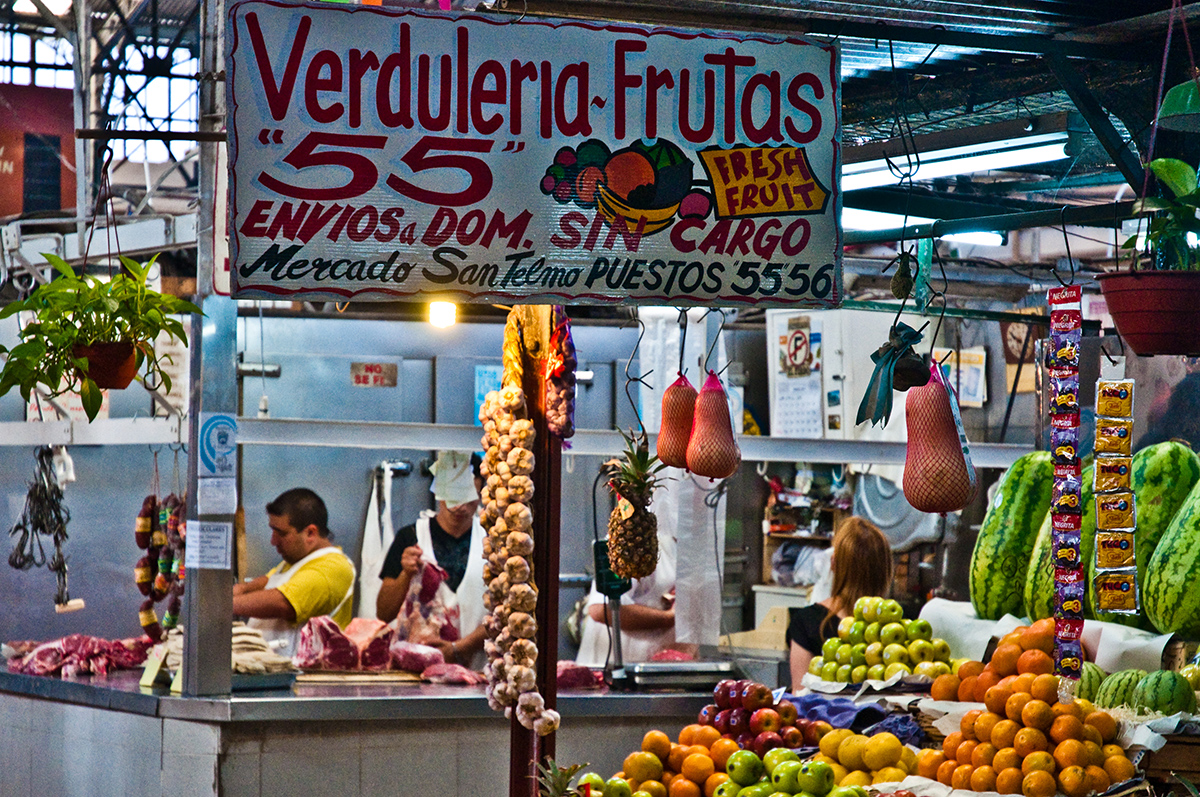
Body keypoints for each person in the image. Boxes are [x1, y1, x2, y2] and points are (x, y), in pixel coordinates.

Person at [376, 451, 487, 669]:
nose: (460, 507)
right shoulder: (410, 537)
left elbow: (506, 614)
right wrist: (406, 573)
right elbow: (384, 612)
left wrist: (458, 649)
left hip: (479, 674)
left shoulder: (493, 541)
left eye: (468, 496)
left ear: (481, 494)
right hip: (416, 672)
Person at [233, 488, 355, 656]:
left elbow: (284, 602)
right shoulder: (296, 560)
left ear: (310, 533)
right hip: (274, 671)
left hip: (302, 676)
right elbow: (268, 581)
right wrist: (242, 589)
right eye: (272, 530)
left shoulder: (334, 567)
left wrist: (223, 604)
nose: (273, 541)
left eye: (281, 533)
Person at [787, 516, 893, 688]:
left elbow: (800, 698)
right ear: (886, 568)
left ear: (833, 564)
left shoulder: (807, 622)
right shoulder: (900, 626)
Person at [575, 522, 677, 667]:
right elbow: (602, 608)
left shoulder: (691, 547)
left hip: (656, 673)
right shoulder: (635, 539)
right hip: (612, 673)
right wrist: (670, 618)